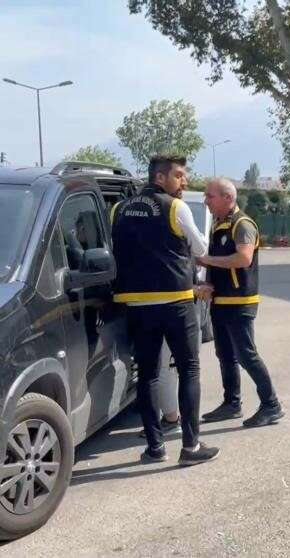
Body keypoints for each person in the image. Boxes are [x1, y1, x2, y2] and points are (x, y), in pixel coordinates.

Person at [110, 155, 220, 466]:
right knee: (189, 369)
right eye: (179, 175)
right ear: (160, 178)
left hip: (136, 305)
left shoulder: (119, 209)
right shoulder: (175, 207)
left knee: (147, 375)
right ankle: (190, 447)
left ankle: (155, 448)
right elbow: (201, 249)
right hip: (175, 303)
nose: (184, 181)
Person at [197, 178, 284, 428]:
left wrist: (206, 260)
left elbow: (243, 259)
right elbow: (219, 261)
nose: (205, 201)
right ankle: (231, 403)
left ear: (227, 198)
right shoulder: (219, 224)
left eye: (210, 196)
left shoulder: (242, 224)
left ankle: (272, 405)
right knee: (224, 354)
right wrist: (208, 283)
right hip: (221, 300)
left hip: (240, 301)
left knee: (246, 355)